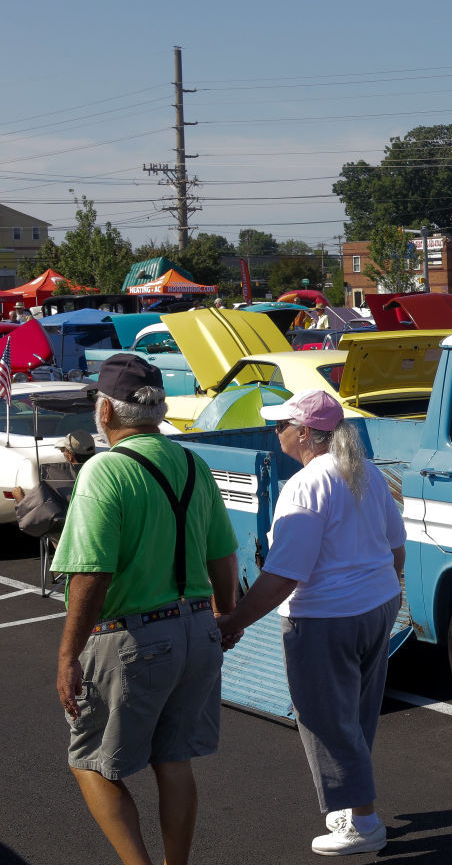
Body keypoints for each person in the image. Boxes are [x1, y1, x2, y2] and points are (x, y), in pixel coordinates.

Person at [51, 354, 239, 865]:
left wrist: (68, 656)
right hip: (197, 630)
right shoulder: (194, 464)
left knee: (91, 761)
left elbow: (91, 573)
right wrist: (227, 616)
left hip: (133, 638)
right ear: (157, 409)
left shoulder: (104, 470)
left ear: (106, 413)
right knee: (174, 760)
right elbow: (223, 553)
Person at [216, 389, 405, 856]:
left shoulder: (304, 485)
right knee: (356, 713)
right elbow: (396, 547)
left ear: (304, 433)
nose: (275, 431)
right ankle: (355, 806)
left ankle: (364, 822)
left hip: (326, 618)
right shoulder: (365, 474)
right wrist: (380, 591)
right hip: (377, 605)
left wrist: (234, 620)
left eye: (280, 424)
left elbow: (284, 573)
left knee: (325, 720)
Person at [15, 430, 97, 540]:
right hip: (99, 529)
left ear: (70, 456)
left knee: (55, 528)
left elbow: (32, 518)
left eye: (63, 450)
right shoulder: (102, 473)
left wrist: (20, 498)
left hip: (67, 537)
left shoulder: (54, 478)